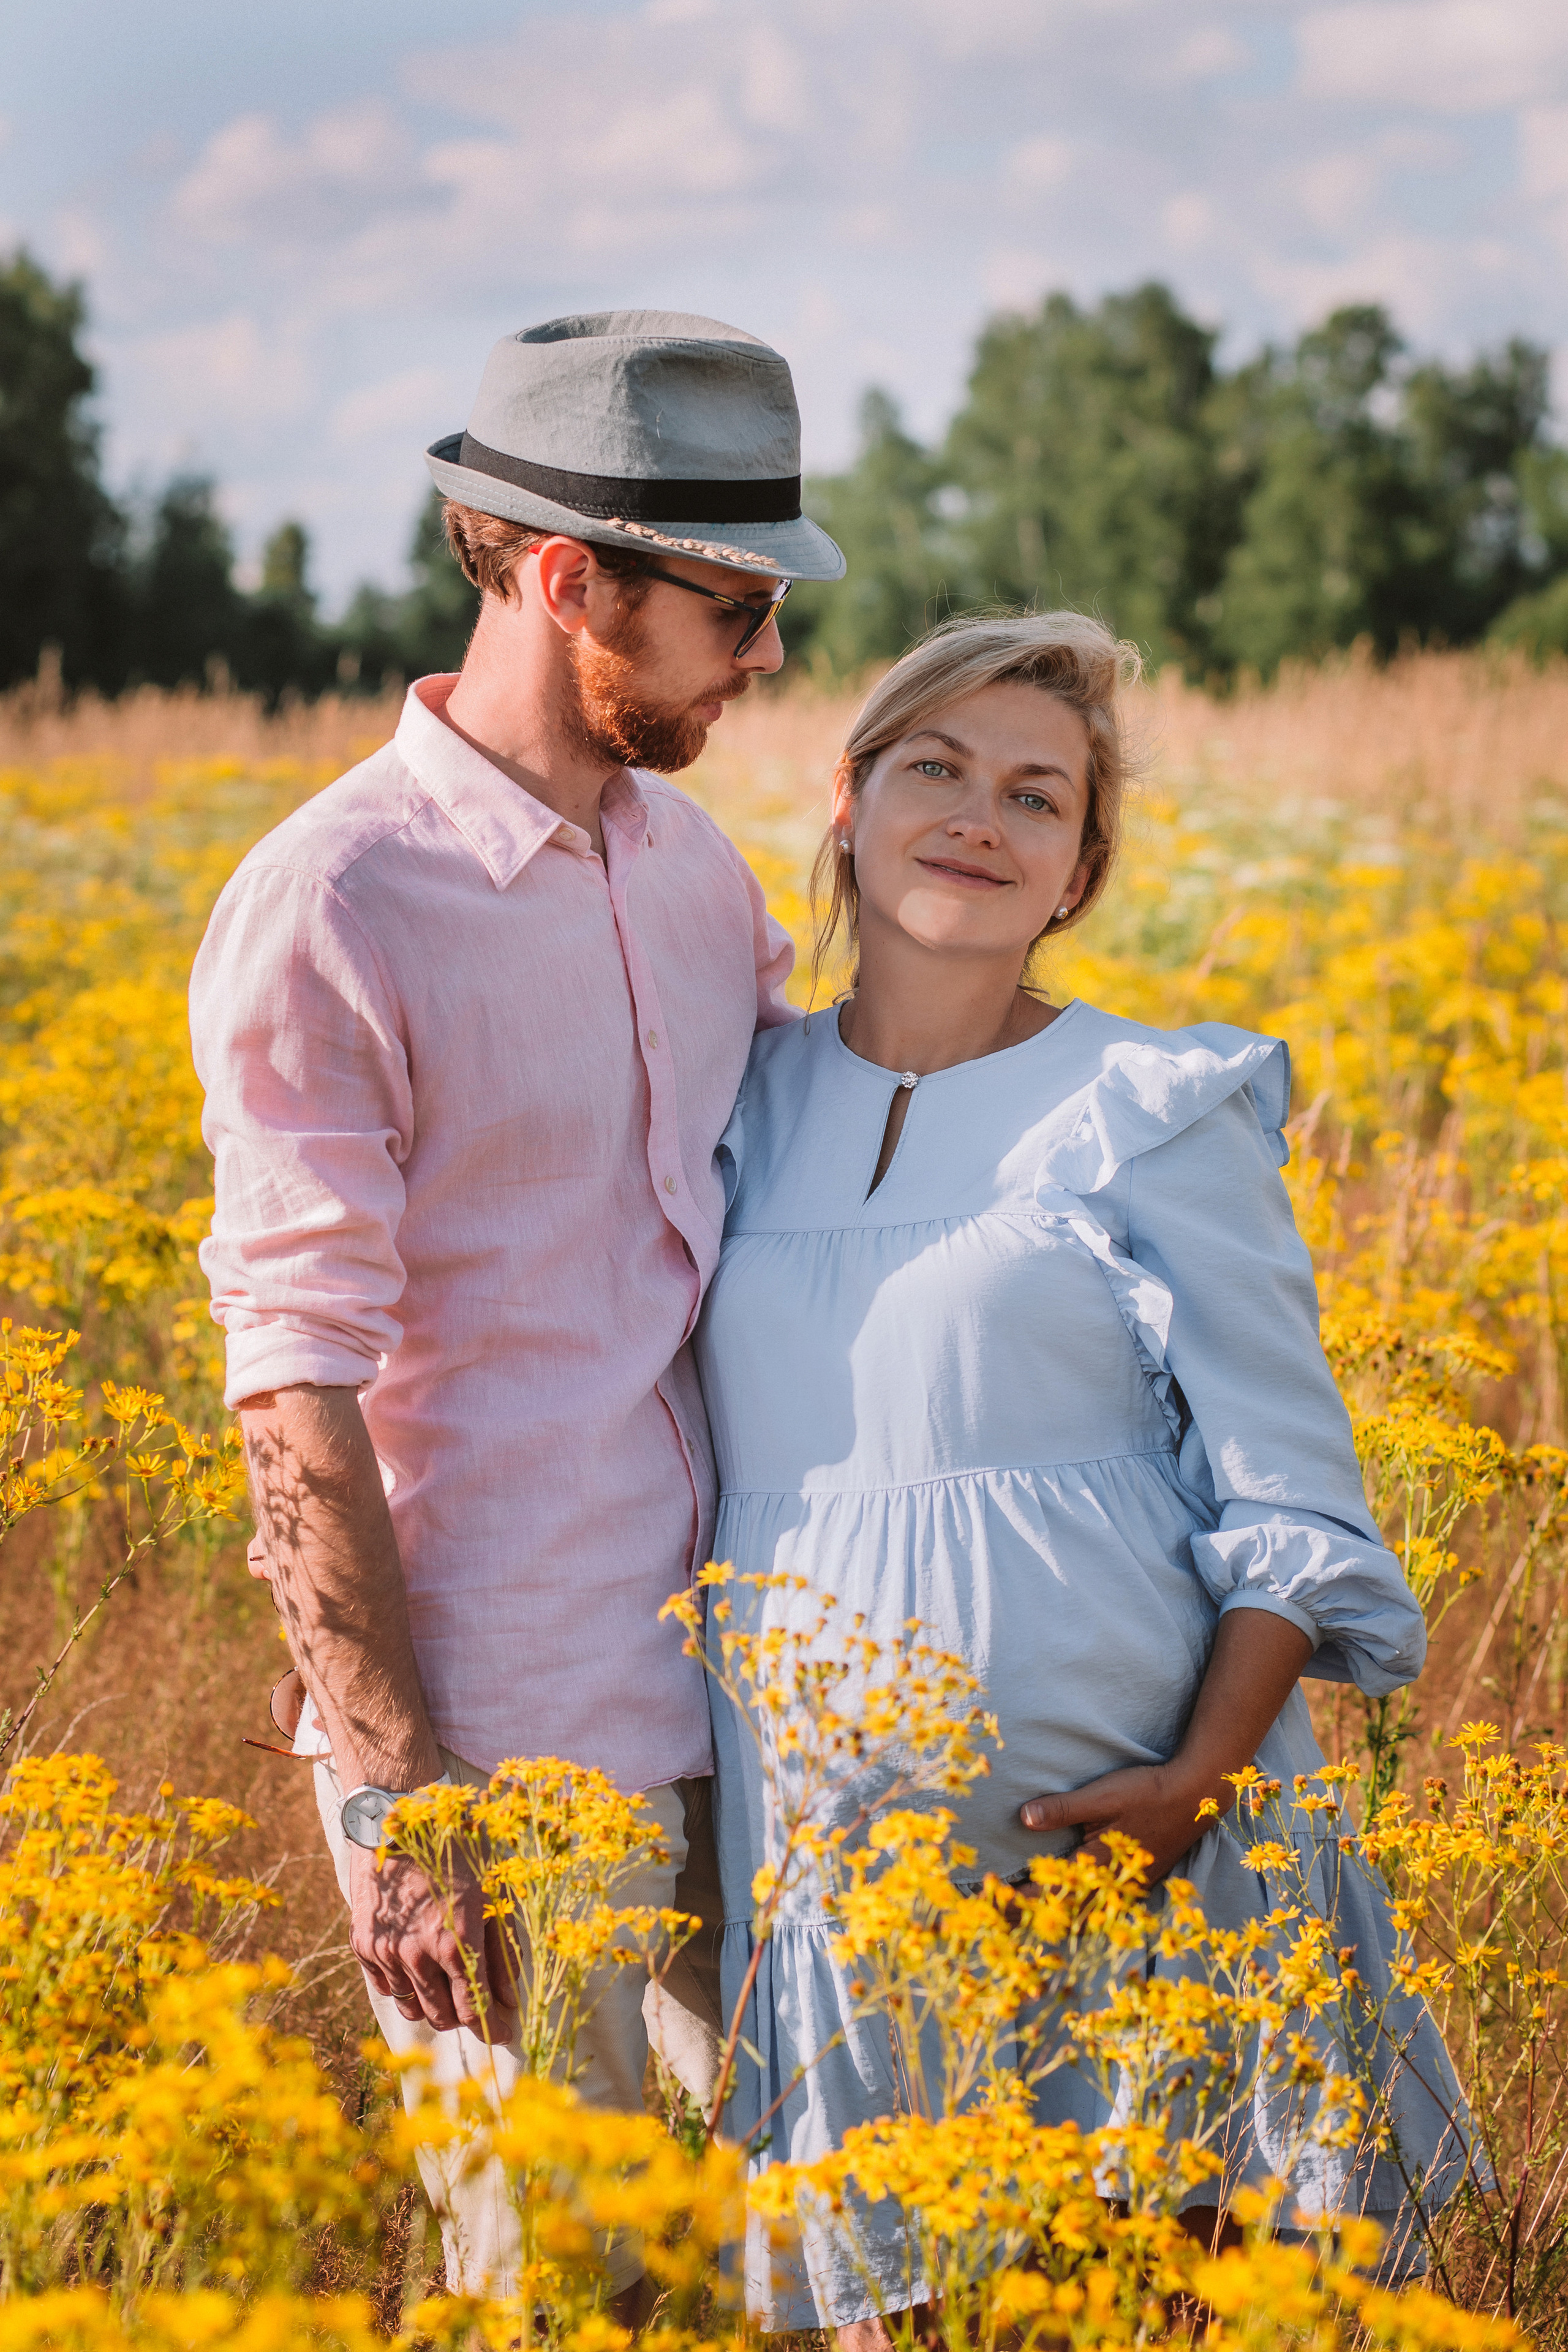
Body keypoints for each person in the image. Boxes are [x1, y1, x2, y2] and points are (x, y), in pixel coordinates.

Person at [693, 612, 1471, 2339]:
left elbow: (1293, 1502)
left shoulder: (1144, 1101)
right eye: (936, 768)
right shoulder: (731, 1100)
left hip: (1141, 1859)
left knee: (1170, 2308)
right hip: (834, 1878)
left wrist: (1195, 1781)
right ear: (848, 800)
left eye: (1036, 796)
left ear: (1080, 867)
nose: (981, 815)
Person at [189, 309, 845, 2310]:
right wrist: (395, 1797)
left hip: (744, 1692)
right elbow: (289, 1387)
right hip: (500, 1729)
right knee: (563, 2286)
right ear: (567, 581)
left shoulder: (698, 874)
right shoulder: (337, 902)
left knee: (791, 2262)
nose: (765, 659)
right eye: (731, 608)